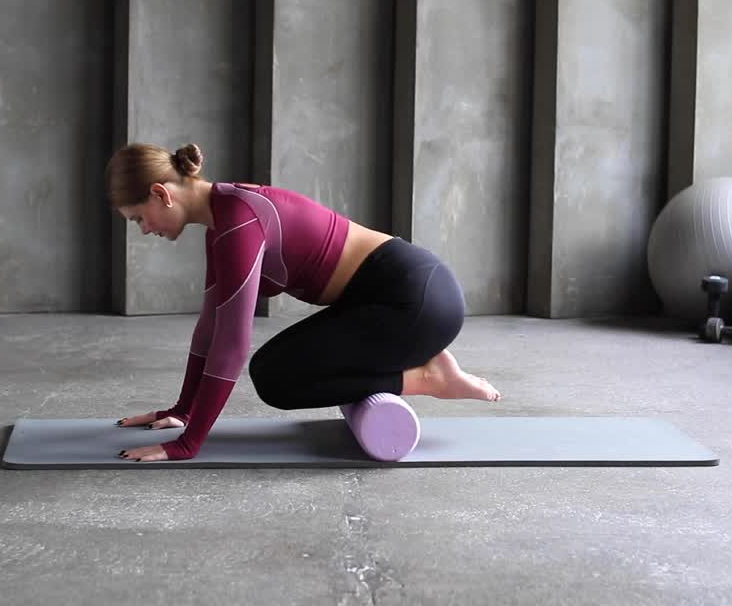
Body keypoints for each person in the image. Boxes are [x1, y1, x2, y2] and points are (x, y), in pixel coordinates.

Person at [105, 142, 501, 462]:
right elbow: (210, 327)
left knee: (276, 379)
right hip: (388, 299)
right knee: (274, 372)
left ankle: (427, 378)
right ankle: (425, 363)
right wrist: (183, 409)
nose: (144, 230)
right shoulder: (223, 222)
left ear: (161, 194)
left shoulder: (238, 223)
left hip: (415, 300)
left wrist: (189, 443)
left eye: (139, 218)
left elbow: (231, 344)